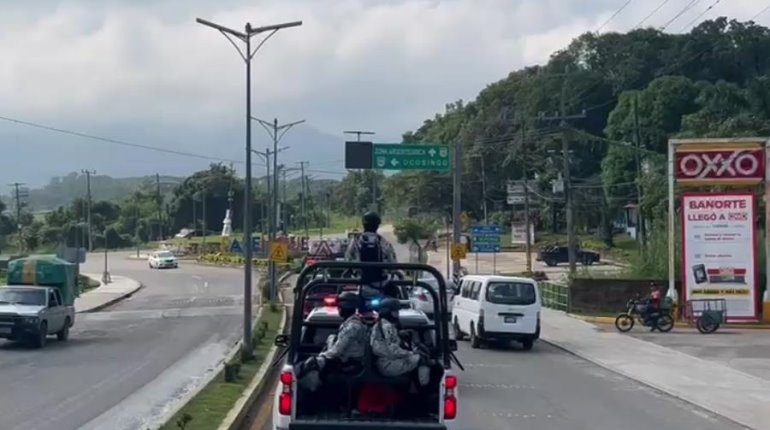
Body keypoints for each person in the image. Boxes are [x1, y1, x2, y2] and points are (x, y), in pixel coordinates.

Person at [297, 292, 371, 391]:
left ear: (347, 307)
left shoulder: (352, 326)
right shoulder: (349, 323)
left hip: (352, 364)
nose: (338, 309)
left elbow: (337, 350)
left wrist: (320, 358)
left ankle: (313, 396)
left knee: (312, 365)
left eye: (340, 307)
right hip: (347, 361)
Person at [370, 298, 431, 386]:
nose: (397, 314)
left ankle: (413, 387)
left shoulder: (382, 323)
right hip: (388, 364)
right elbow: (394, 350)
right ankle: (424, 388)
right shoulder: (387, 327)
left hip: (386, 361)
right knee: (422, 359)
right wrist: (411, 353)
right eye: (395, 311)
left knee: (416, 358)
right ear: (390, 312)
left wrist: (400, 334)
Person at [345, 211, 398, 286]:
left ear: (364, 224)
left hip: (361, 284)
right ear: (377, 225)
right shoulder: (383, 242)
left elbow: (348, 259)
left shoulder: (356, 241)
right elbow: (393, 264)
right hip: (381, 285)